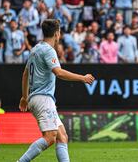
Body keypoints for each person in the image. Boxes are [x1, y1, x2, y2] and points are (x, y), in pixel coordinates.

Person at [18, 19, 95, 162]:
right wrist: (83, 78)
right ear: (57, 34)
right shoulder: (49, 50)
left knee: (62, 136)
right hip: (43, 98)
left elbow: (25, 74)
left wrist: (24, 97)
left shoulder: (35, 49)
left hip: (35, 97)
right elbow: (58, 73)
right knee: (50, 137)